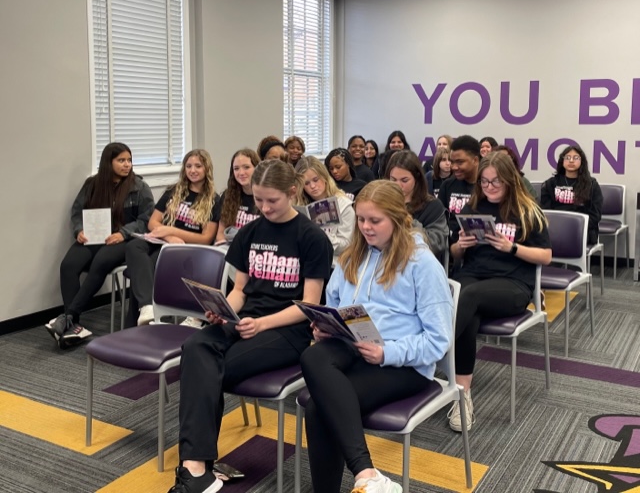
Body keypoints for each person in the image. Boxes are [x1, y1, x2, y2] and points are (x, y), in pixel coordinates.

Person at [168, 160, 333, 493]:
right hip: (245, 319)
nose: (264, 207)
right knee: (194, 347)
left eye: (272, 200)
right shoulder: (250, 232)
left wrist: (261, 324)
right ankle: (195, 467)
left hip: (287, 329)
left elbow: (310, 305)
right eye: (258, 200)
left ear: (291, 192)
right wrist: (224, 311)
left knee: (209, 369)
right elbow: (241, 290)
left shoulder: (312, 237)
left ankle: (197, 470)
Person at [300, 180, 453, 493]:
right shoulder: (352, 257)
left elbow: (439, 341)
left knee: (318, 407)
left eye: (375, 221)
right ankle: (367, 474)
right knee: (312, 354)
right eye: (360, 219)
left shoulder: (422, 264)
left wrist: (388, 354)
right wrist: (325, 327)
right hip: (354, 348)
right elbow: (334, 306)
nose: (366, 228)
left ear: (397, 219)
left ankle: (363, 474)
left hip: (404, 366)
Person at [448, 151, 551, 432]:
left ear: (510, 181)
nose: (489, 188)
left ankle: (435, 352)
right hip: (473, 275)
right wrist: (461, 245)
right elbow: (455, 254)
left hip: (513, 283)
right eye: (484, 182)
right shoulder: (473, 208)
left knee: (467, 298)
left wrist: (512, 248)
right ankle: (462, 395)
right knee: (467, 310)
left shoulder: (528, 210)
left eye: (496, 182)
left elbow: (545, 256)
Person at [46, 142, 154, 347]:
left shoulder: (139, 187)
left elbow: (147, 219)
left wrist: (123, 233)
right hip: (94, 238)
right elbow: (77, 211)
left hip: (125, 240)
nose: (127, 165)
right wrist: (79, 230)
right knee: (68, 266)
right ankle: (73, 328)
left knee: (101, 261)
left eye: (129, 160)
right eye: (121, 160)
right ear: (108, 162)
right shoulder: (92, 184)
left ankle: (69, 316)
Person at [125, 149, 220, 326]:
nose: (193, 170)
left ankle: (138, 324)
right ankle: (147, 308)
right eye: (189, 166)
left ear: (207, 169)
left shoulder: (213, 199)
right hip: (163, 243)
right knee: (133, 247)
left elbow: (206, 238)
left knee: (144, 271)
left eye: (198, 166)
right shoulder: (174, 191)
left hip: (187, 250)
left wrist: (171, 232)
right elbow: (153, 222)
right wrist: (169, 238)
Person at [385, 150, 448, 259]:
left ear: (417, 178)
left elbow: (436, 244)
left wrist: (407, 220)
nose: (398, 185)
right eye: (393, 180)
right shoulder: (382, 202)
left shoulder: (433, 206)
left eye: (404, 180)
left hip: (417, 261)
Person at [294, 156, 356, 266]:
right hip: (307, 264)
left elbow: (347, 245)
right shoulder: (300, 205)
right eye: (306, 183)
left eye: (316, 180)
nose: (313, 186)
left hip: (334, 266)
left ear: (324, 177)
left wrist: (322, 234)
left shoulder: (343, 204)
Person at [540, 145, 603, 244]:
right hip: (555, 229)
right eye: (568, 158)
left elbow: (595, 215)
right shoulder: (550, 184)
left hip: (581, 231)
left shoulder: (591, 185)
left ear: (582, 161)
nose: (571, 161)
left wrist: (575, 226)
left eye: (576, 158)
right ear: (562, 161)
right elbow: (545, 212)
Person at [213, 148, 261, 245]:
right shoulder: (228, 195)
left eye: (246, 167)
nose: (241, 173)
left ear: (257, 168)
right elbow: (220, 234)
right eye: (236, 168)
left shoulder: (267, 197)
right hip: (231, 248)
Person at [438, 135, 481, 228]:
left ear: (475, 160)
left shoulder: (488, 187)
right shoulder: (447, 185)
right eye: (452, 162)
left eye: (460, 162)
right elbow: (439, 221)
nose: (454, 167)